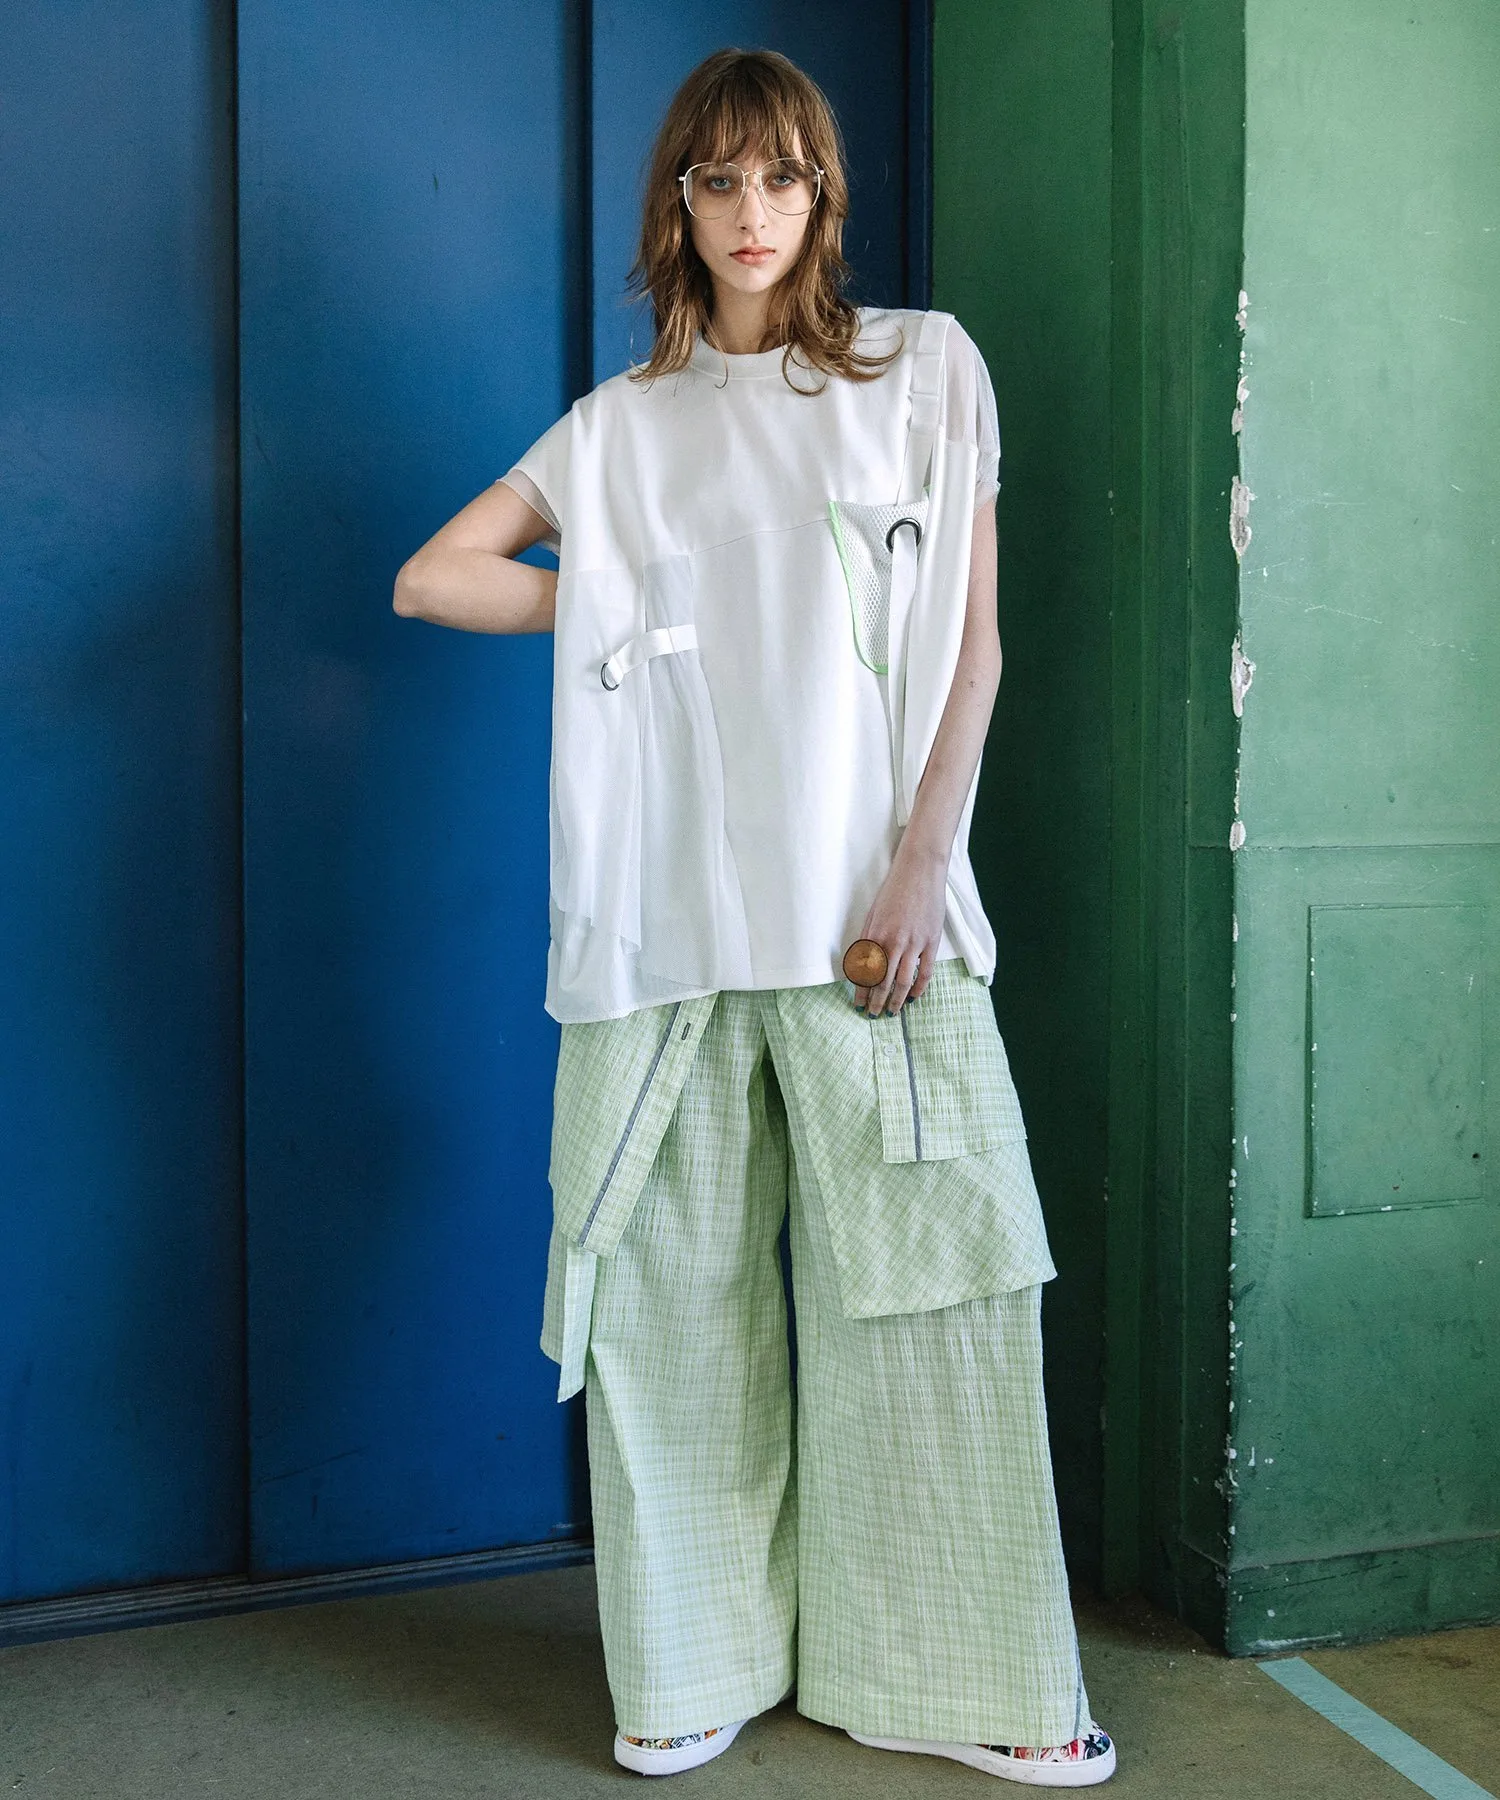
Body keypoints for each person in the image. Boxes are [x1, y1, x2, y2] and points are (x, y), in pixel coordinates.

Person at [394, 45, 1116, 1789]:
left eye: (781, 176)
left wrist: (923, 863)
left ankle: (971, 1678)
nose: (750, 212)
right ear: (679, 203)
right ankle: (690, 1669)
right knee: (669, 1307)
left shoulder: (918, 370)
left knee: (941, 1295)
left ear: (821, 193)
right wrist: (619, 594)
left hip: (875, 924)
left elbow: (974, 649)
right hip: (667, 934)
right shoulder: (620, 432)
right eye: (717, 180)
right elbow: (434, 576)